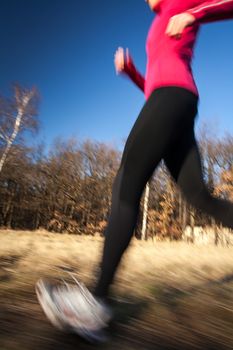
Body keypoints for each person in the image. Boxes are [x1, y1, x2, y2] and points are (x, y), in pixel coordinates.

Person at [36, 0, 233, 343]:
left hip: (174, 99)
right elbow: (154, 85)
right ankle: (96, 301)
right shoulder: (158, 20)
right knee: (198, 196)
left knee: (126, 187)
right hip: (175, 103)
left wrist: (194, 13)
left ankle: (95, 303)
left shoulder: (180, 2)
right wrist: (131, 71)